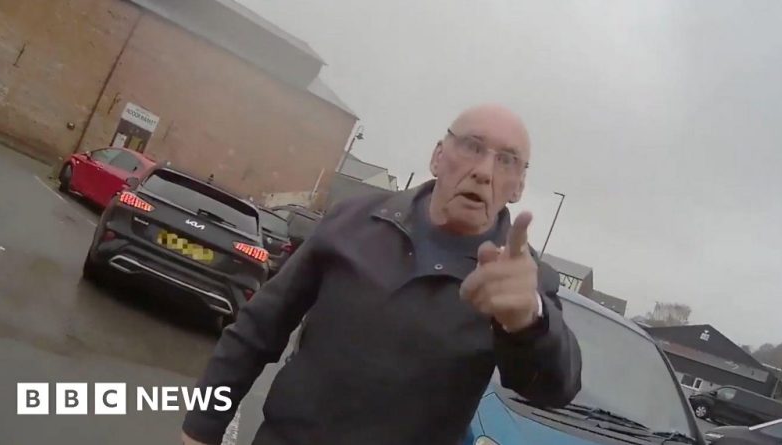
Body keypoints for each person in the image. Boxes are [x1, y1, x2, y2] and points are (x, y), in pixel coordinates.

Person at [182, 104, 582, 445]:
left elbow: (553, 388)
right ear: (438, 156)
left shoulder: (519, 282)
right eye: (471, 147)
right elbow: (255, 330)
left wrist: (529, 321)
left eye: (506, 160)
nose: (483, 170)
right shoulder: (352, 221)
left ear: (518, 186)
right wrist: (199, 428)